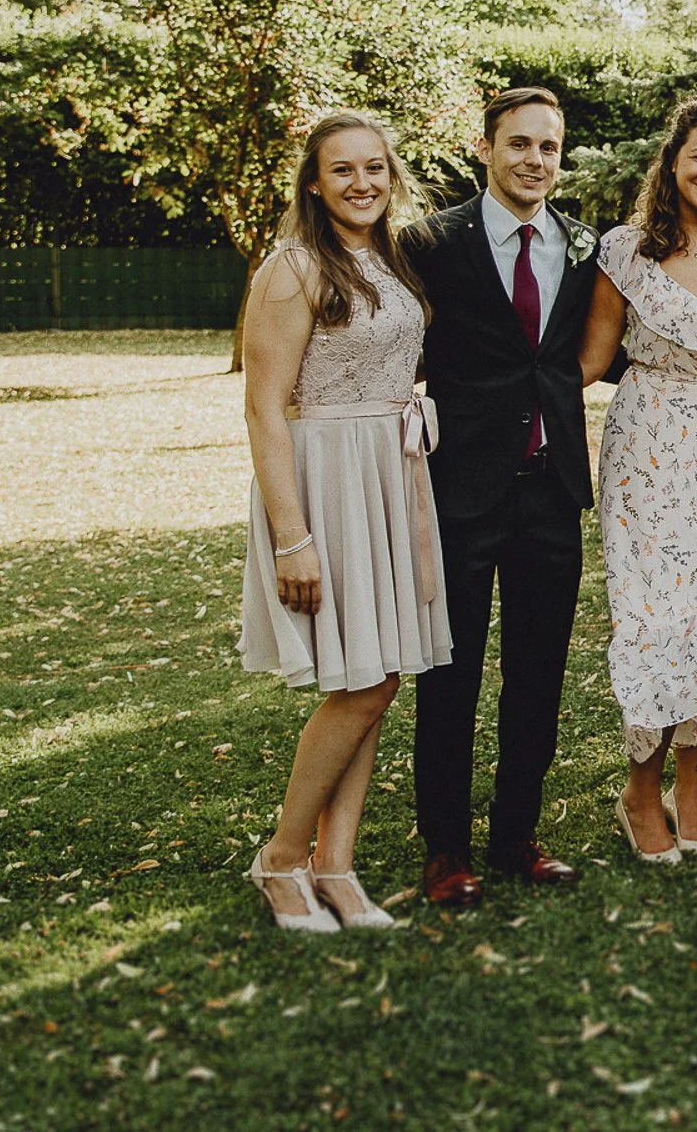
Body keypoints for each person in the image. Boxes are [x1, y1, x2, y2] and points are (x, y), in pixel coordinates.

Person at [238, 113, 452, 931]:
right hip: (326, 479)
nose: (362, 183)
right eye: (342, 171)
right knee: (360, 682)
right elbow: (263, 407)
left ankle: (338, 865)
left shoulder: (388, 260)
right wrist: (293, 537)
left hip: (392, 476)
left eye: (374, 168)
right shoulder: (291, 268)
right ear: (315, 183)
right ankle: (283, 859)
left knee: (379, 672)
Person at [402, 86, 596, 907]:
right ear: (486, 148)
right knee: (449, 674)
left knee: (538, 673)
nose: (534, 161)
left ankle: (517, 834)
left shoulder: (584, 246)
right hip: (460, 490)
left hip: (550, 488)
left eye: (548, 148)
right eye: (519, 144)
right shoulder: (428, 243)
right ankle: (445, 848)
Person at [579, 99, 697, 864]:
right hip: (649, 451)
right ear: (674, 160)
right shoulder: (626, 252)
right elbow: (590, 363)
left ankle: (693, 792)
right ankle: (640, 787)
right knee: (655, 624)